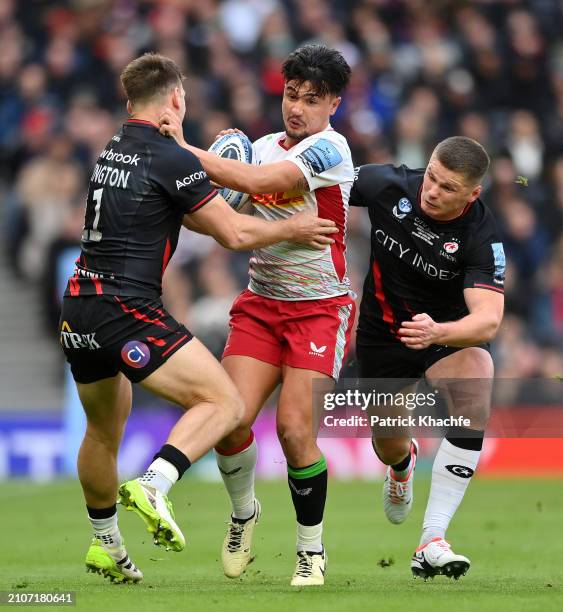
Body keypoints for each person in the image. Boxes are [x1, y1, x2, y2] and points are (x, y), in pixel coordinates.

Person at [59, 52, 338, 584]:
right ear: (176, 101)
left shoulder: (112, 149)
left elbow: (194, 216)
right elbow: (233, 233)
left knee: (100, 432)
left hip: (78, 308)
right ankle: (156, 483)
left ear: (129, 103)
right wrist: (293, 230)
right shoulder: (169, 157)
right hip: (126, 310)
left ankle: (105, 545)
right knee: (225, 402)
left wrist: (206, 186)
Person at [160, 44, 355, 586]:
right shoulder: (262, 145)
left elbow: (266, 184)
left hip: (319, 310)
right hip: (262, 306)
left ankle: (310, 552)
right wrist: (196, 195)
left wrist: (183, 152)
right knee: (228, 418)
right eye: (292, 94)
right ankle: (244, 514)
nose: (297, 107)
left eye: (312, 99)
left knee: (294, 431)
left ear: (334, 104)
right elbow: (221, 226)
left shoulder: (330, 149)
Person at [349, 136, 505, 579]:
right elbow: (314, 181)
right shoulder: (387, 184)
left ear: (473, 194)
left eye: (448, 187)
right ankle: (402, 465)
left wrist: (441, 332)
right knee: (388, 441)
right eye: (432, 177)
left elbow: (488, 321)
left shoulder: (481, 235)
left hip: (444, 332)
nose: (432, 191)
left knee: (477, 380)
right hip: (382, 333)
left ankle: (431, 539)